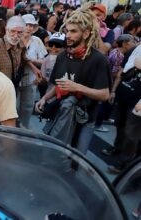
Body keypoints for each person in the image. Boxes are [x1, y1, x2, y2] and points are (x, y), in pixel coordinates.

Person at [35, 4, 110, 154]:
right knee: (55, 153)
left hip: (86, 119)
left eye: (73, 31)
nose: (67, 35)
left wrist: (77, 87)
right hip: (61, 112)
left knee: (76, 158)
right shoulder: (63, 55)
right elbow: (58, 84)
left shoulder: (98, 59)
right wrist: (44, 98)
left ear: (86, 33)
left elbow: (105, 94)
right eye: (67, 30)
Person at [19, 14, 47, 129]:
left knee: (27, 108)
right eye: (27, 25)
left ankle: (23, 131)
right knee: (13, 107)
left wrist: (33, 60)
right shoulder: (15, 38)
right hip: (14, 79)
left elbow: (44, 61)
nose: (29, 28)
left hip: (31, 79)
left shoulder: (37, 41)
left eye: (32, 25)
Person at [39, 32, 66, 98]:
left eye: (58, 45)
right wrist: (40, 81)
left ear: (65, 47)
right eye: (51, 44)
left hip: (65, 98)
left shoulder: (70, 61)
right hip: (49, 97)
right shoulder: (47, 59)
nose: (53, 47)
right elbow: (44, 82)